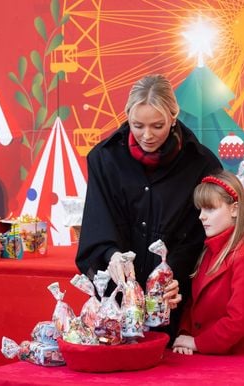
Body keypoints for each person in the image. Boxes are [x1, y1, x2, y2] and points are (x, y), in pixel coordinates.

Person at [75, 74, 222, 337]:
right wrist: (111, 256)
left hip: (173, 301)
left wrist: (173, 275)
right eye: (137, 125)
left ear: (174, 117)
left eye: (157, 126)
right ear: (127, 115)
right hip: (116, 303)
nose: (147, 135)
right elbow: (97, 224)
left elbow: (205, 237)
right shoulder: (104, 159)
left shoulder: (200, 164)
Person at [172, 170, 244, 355]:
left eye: (210, 209)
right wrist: (185, 334)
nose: (201, 216)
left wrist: (197, 343)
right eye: (201, 209)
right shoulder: (209, 251)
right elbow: (193, 303)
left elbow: (240, 321)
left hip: (236, 358)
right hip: (208, 355)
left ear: (234, 209)